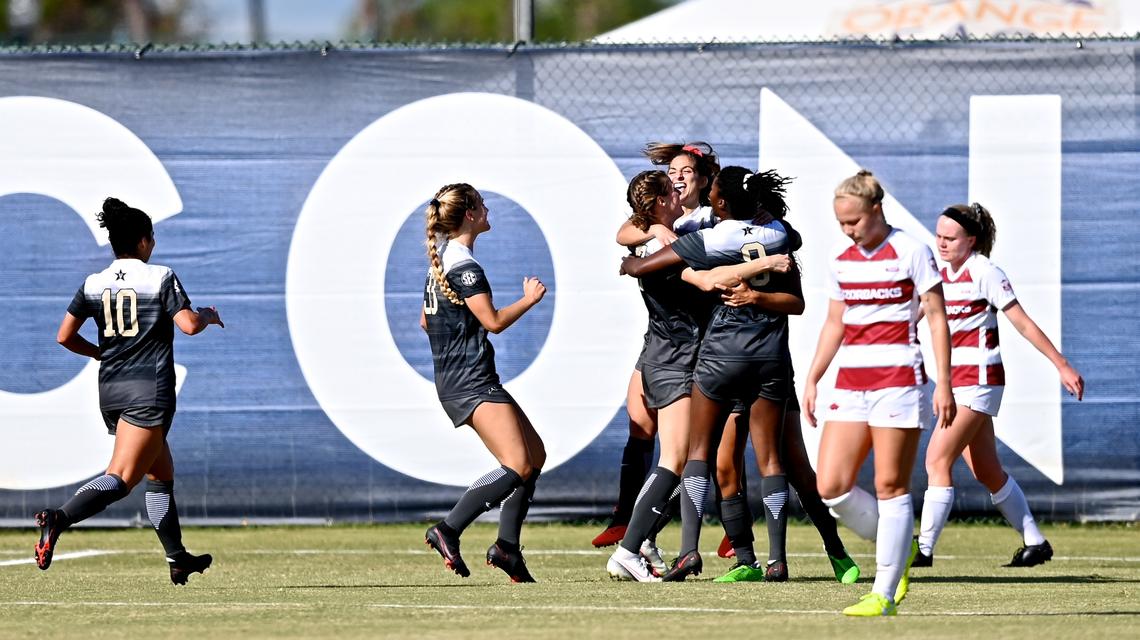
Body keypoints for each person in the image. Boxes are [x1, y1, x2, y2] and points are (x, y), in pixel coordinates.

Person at [621, 166, 802, 583]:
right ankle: (776, 560)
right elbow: (795, 266)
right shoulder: (779, 235)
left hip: (720, 353)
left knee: (696, 454)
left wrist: (633, 261)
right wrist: (765, 266)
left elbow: (651, 267)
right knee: (771, 459)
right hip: (770, 355)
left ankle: (688, 551)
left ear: (718, 203)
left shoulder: (707, 238)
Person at [36, 197, 223, 585]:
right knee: (121, 478)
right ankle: (59, 517)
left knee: (160, 473)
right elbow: (188, 325)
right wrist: (206, 314)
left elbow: (64, 336)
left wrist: (100, 353)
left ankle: (178, 558)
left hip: (112, 391)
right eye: (150, 236)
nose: (152, 242)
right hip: (148, 391)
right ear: (141, 241)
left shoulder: (93, 283)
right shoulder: (160, 276)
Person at [803, 170, 955, 617]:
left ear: (876, 210)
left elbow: (936, 317)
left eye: (854, 222)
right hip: (851, 382)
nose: (848, 231)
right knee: (830, 485)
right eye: (841, 224)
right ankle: (901, 544)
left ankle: (884, 593)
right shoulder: (840, 257)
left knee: (890, 485)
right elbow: (835, 322)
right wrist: (813, 377)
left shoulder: (911, 250)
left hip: (898, 381)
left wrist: (943, 382)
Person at [914, 203, 1084, 568]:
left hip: (978, 381)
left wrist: (1061, 364)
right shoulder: (936, 272)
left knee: (936, 459)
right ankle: (1035, 542)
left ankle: (923, 550)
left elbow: (1022, 323)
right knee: (986, 470)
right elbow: (911, 314)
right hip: (952, 381)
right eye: (938, 236)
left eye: (950, 238)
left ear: (971, 240)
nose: (941, 243)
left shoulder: (985, 272)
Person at [593, 142, 720, 550]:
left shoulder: (709, 218)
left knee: (703, 446)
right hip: (666, 342)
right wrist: (651, 231)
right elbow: (623, 233)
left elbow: (694, 269)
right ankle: (631, 526)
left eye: (684, 170)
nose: (678, 176)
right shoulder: (660, 222)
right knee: (647, 429)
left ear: (702, 179)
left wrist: (638, 261)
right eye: (672, 171)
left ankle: (730, 532)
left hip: (692, 342)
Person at [420, 183, 547, 583]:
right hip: (471, 380)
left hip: (462, 378)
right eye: (481, 204)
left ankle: (507, 547)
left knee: (535, 456)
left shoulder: (443, 261)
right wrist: (528, 300)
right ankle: (449, 528)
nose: (487, 208)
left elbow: (425, 321)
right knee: (518, 464)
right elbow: (492, 321)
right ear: (471, 214)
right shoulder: (465, 266)